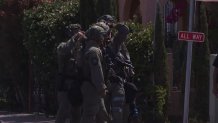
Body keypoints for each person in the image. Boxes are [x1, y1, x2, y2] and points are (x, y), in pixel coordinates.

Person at [98, 15, 139, 122]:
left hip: (117, 82)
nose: (106, 31)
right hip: (102, 83)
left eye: (107, 28)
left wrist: (114, 25)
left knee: (118, 114)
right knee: (102, 115)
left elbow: (125, 30)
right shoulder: (95, 42)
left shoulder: (115, 42)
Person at [56, 24, 86, 123]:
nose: (77, 33)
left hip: (77, 83)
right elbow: (65, 50)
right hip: (66, 83)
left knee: (77, 112)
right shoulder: (63, 45)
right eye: (74, 31)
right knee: (63, 111)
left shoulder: (81, 47)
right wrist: (75, 38)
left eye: (78, 31)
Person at [80, 24, 110, 123]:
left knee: (102, 116)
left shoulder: (90, 48)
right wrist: (101, 87)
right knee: (90, 114)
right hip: (92, 88)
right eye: (101, 35)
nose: (103, 38)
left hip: (91, 86)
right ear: (96, 36)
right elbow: (96, 70)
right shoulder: (94, 51)